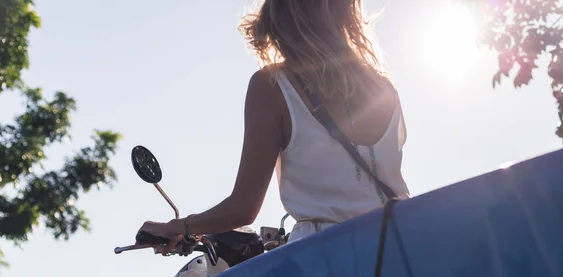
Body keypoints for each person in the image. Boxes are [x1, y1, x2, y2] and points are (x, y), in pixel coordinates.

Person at [137, 0, 410, 255]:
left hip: (325, 263)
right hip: (399, 250)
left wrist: (174, 228)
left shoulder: (272, 86)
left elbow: (242, 209)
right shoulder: (385, 88)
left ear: (280, 19)